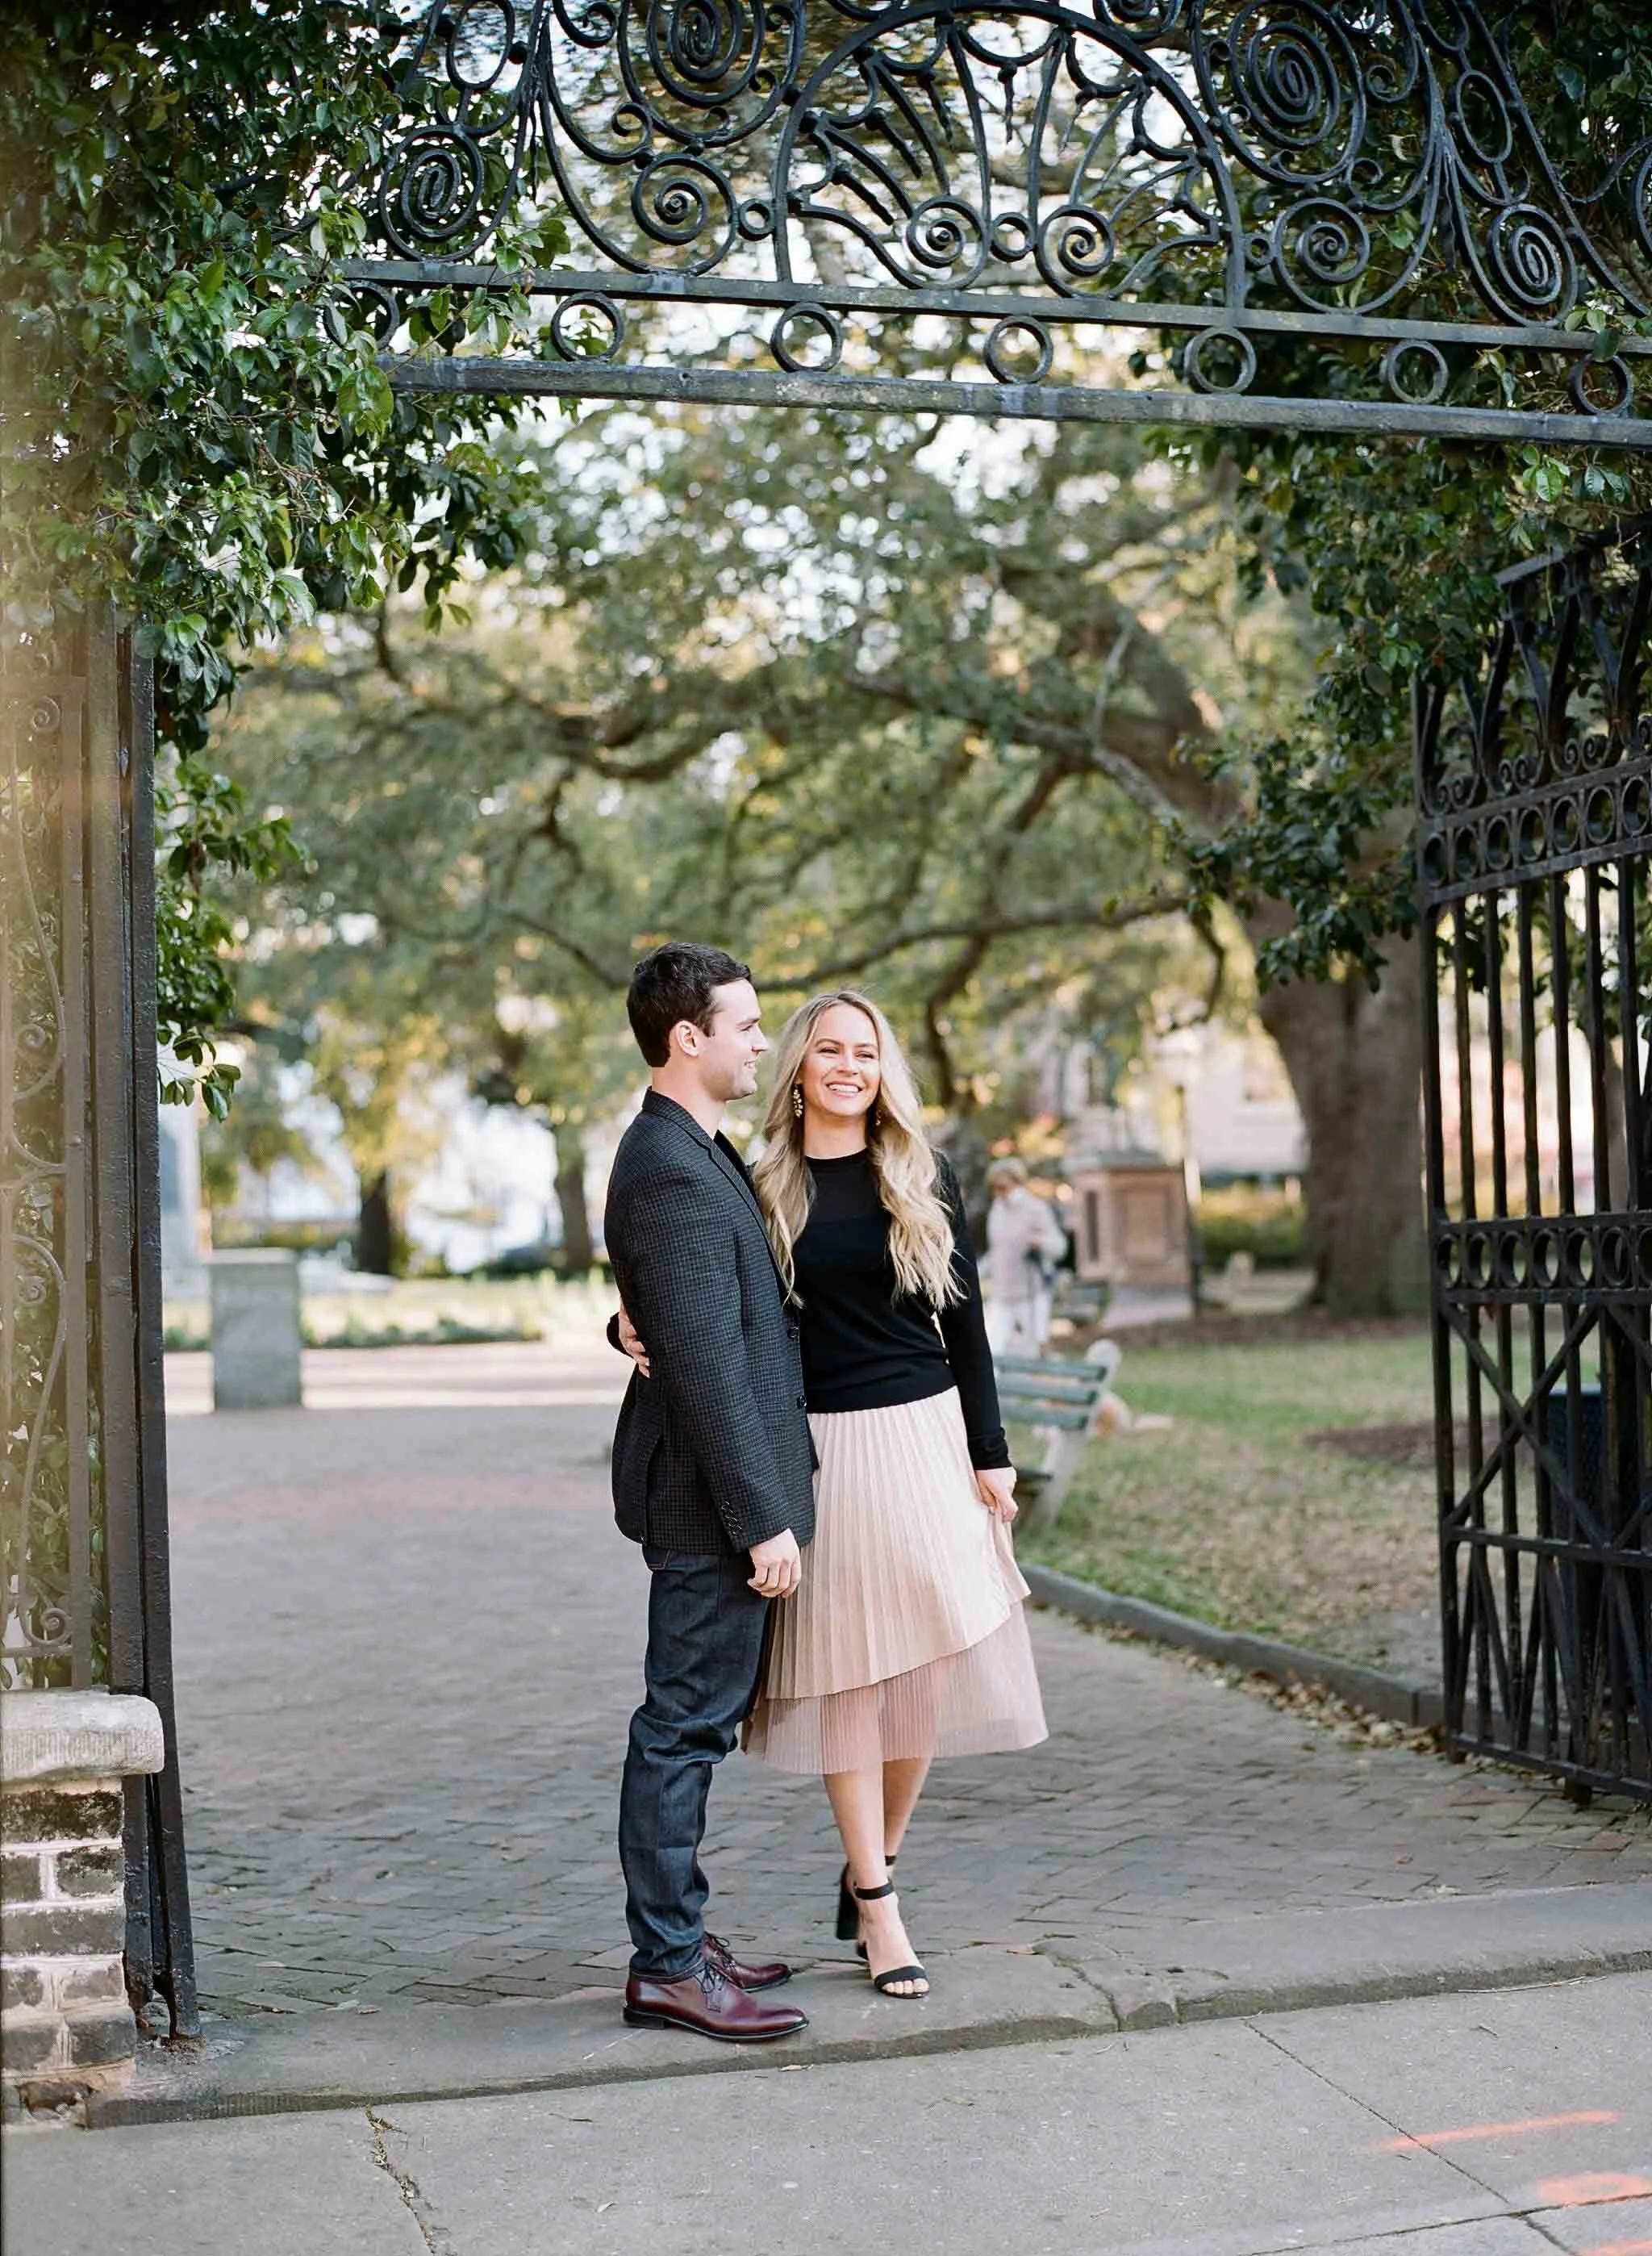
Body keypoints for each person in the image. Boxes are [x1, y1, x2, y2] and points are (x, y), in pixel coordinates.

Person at [739, 991, 1047, 1998]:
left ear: (882, 1067)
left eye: (863, 1051)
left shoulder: (920, 1173)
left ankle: (873, 1862)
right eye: (827, 1049)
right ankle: (877, 1908)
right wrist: (626, 1333)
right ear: (797, 1068)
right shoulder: (762, 1186)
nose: (846, 1065)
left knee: (928, 1667)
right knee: (851, 1681)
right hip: (822, 1450)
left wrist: (989, 1451)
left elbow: (964, 1327)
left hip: (925, 1434)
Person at [603, 942, 816, 2045]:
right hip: (706, 1500)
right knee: (682, 1729)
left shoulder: (691, 1149)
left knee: (693, 1726)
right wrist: (762, 1519)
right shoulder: (671, 1163)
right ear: (687, 1038)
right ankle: (670, 1966)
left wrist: (623, 1321)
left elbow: (682, 1317)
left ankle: (681, 1941)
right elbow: (708, 1368)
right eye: (745, 1025)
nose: (759, 1042)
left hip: (713, 1492)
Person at [982, 1157, 1067, 1357]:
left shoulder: (1035, 1209)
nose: (1000, 1193)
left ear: (1017, 1182)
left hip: (1030, 1292)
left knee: (1035, 1350)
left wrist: (1040, 1243)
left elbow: (1059, 1247)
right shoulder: (997, 1211)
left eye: (1003, 1187)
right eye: (995, 1188)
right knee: (990, 1351)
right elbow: (997, 1251)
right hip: (1001, 1294)